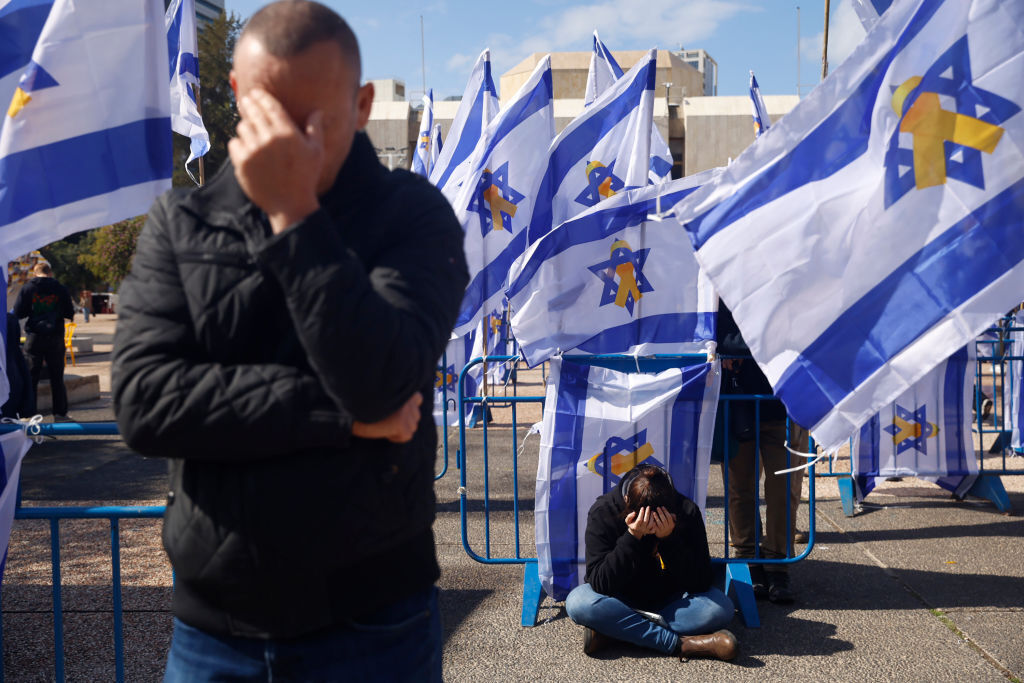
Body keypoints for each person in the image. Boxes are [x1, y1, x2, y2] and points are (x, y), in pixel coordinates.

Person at [111, 2, 468, 680]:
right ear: (238, 96)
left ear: (362, 105)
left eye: (313, 122)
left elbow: (384, 381)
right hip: (216, 624)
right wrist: (338, 418)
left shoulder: (412, 215)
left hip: (374, 620)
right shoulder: (181, 221)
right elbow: (143, 401)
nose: (290, 144)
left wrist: (293, 213)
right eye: (269, 115)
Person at [565, 464, 739, 662]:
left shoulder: (686, 510)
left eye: (659, 519)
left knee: (721, 608)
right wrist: (632, 536)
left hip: (672, 602)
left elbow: (700, 581)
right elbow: (600, 582)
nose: (651, 524)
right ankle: (682, 644)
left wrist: (669, 539)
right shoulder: (604, 511)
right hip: (620, 600)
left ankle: (616, 631)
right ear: (626, 502)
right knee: (579, 602)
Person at [718, 302, 809, 604]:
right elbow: (717, 336)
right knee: (739, 489)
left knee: (784, 490)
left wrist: (740, 348)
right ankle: (748, 559)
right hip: (738, 402)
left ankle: (778, 564)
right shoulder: (721, 281)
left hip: (786, 405)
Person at [13, 262, 75, 420]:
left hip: (34, 337)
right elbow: (69, 312)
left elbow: (19, 313)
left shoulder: (28, 288)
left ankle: (29, 414)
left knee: (31, 376)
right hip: (55, 338)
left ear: (35, 273)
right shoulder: (61, 288)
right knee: (57, 376)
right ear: (50, 273)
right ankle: (60, 414)